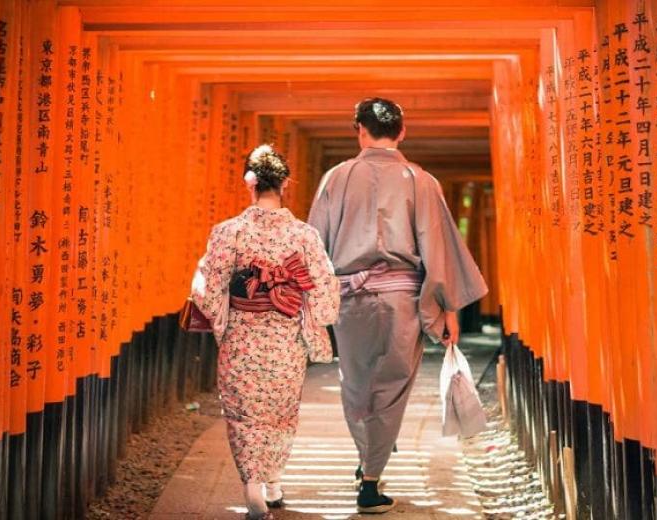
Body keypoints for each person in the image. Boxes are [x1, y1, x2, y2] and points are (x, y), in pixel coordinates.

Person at [308, 98, 488, 514]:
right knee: (392, 386)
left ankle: (367, 459)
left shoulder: (336, 178)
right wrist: (448, 310)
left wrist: (314, 306)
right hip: (402, 300)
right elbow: (438, 248)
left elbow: (314, 246)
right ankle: (371, 480)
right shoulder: (420, 180)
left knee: (355, 382)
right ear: (402, 132)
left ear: (359, 130)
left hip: (351, 299)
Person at [191, 144, 340, 520]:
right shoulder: (304, 235)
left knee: (243, 415)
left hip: (242, 339)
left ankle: (254, 488)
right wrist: (312, 316)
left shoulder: (228, 232)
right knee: (281, 413)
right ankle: (272, 481)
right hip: (286, 341)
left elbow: (209, 290)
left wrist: (223, 316)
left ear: (249, 183)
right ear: (286, 183)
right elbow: (324, 289)